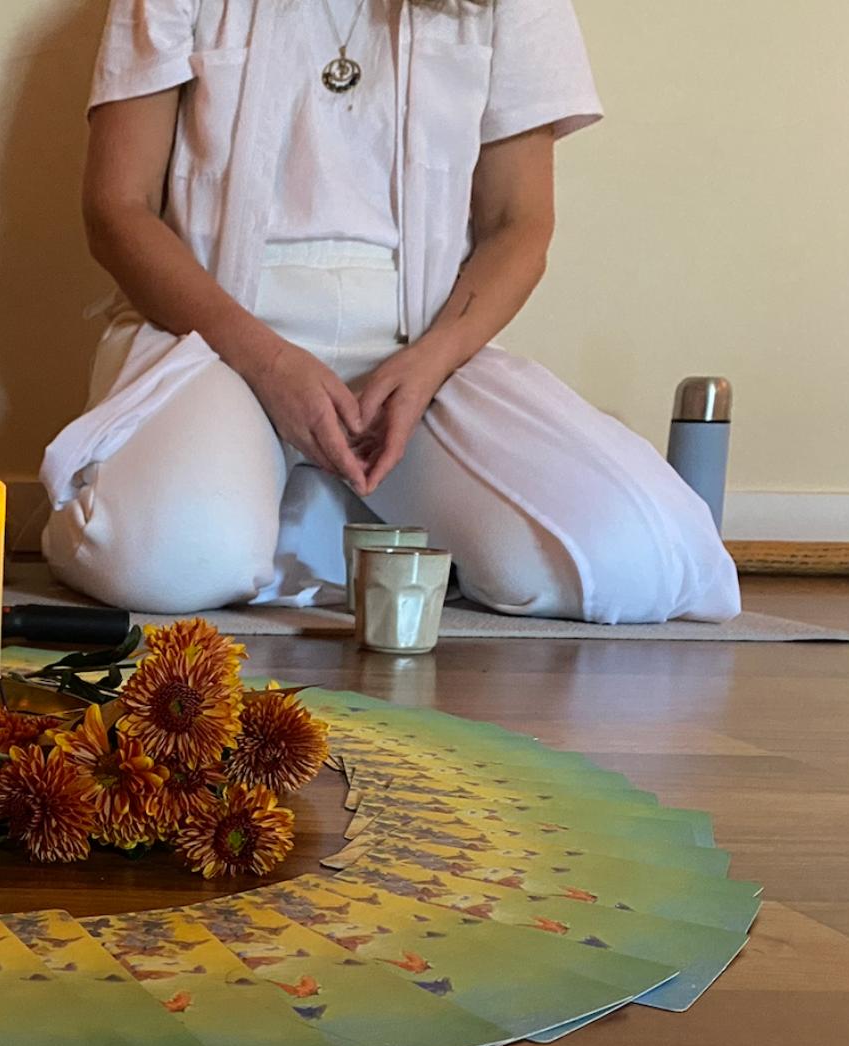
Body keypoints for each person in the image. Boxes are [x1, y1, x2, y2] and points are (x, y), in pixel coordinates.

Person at [39, 0, 740, 624]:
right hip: (211, 345)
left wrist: (432, 363)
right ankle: (215, 509)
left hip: (421, 361)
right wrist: (269, 364)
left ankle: (300, 517)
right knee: (170, 563)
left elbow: (519, 224)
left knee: (639, 561)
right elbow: (117, 211)